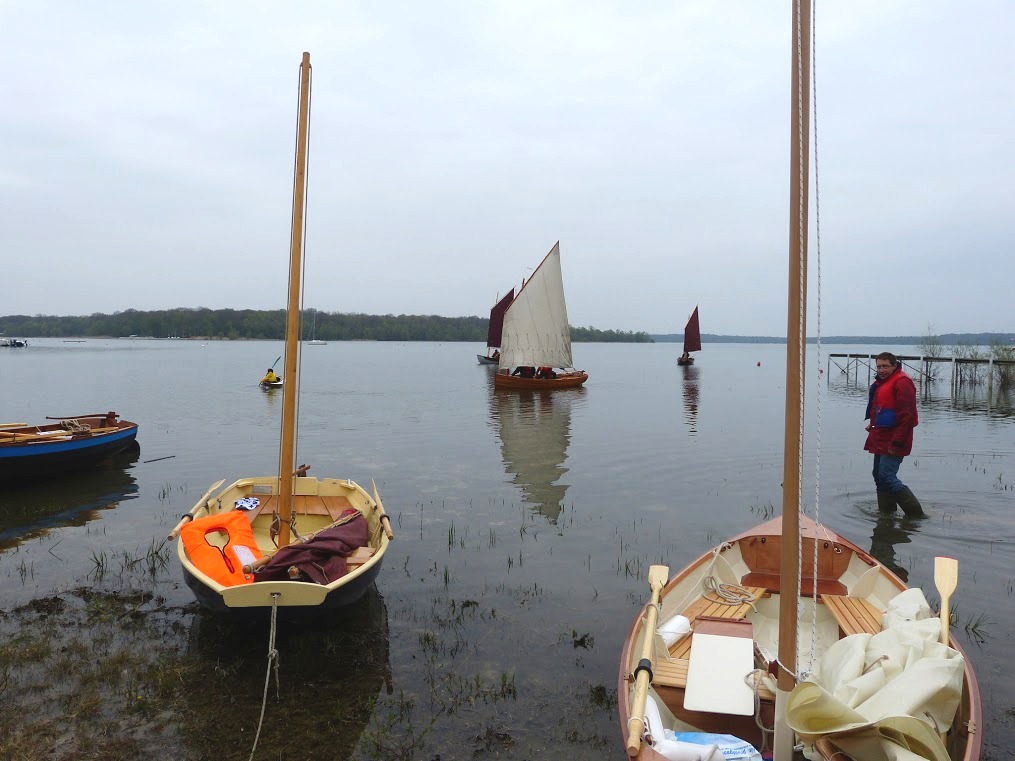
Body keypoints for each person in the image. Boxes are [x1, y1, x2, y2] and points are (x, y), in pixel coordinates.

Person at [864, 352, 923, 516]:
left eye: (885, 366)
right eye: (879, 366)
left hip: (896, 439)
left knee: (887, 476)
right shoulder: (883, 383)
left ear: (894, 366)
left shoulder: (902, 383)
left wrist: (897, 442)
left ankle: (917, 516)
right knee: (878, 475)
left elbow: (908, 416)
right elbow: (885, 409)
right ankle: (886, 515)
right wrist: (873, 424)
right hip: (880, 436)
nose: (881, 370)